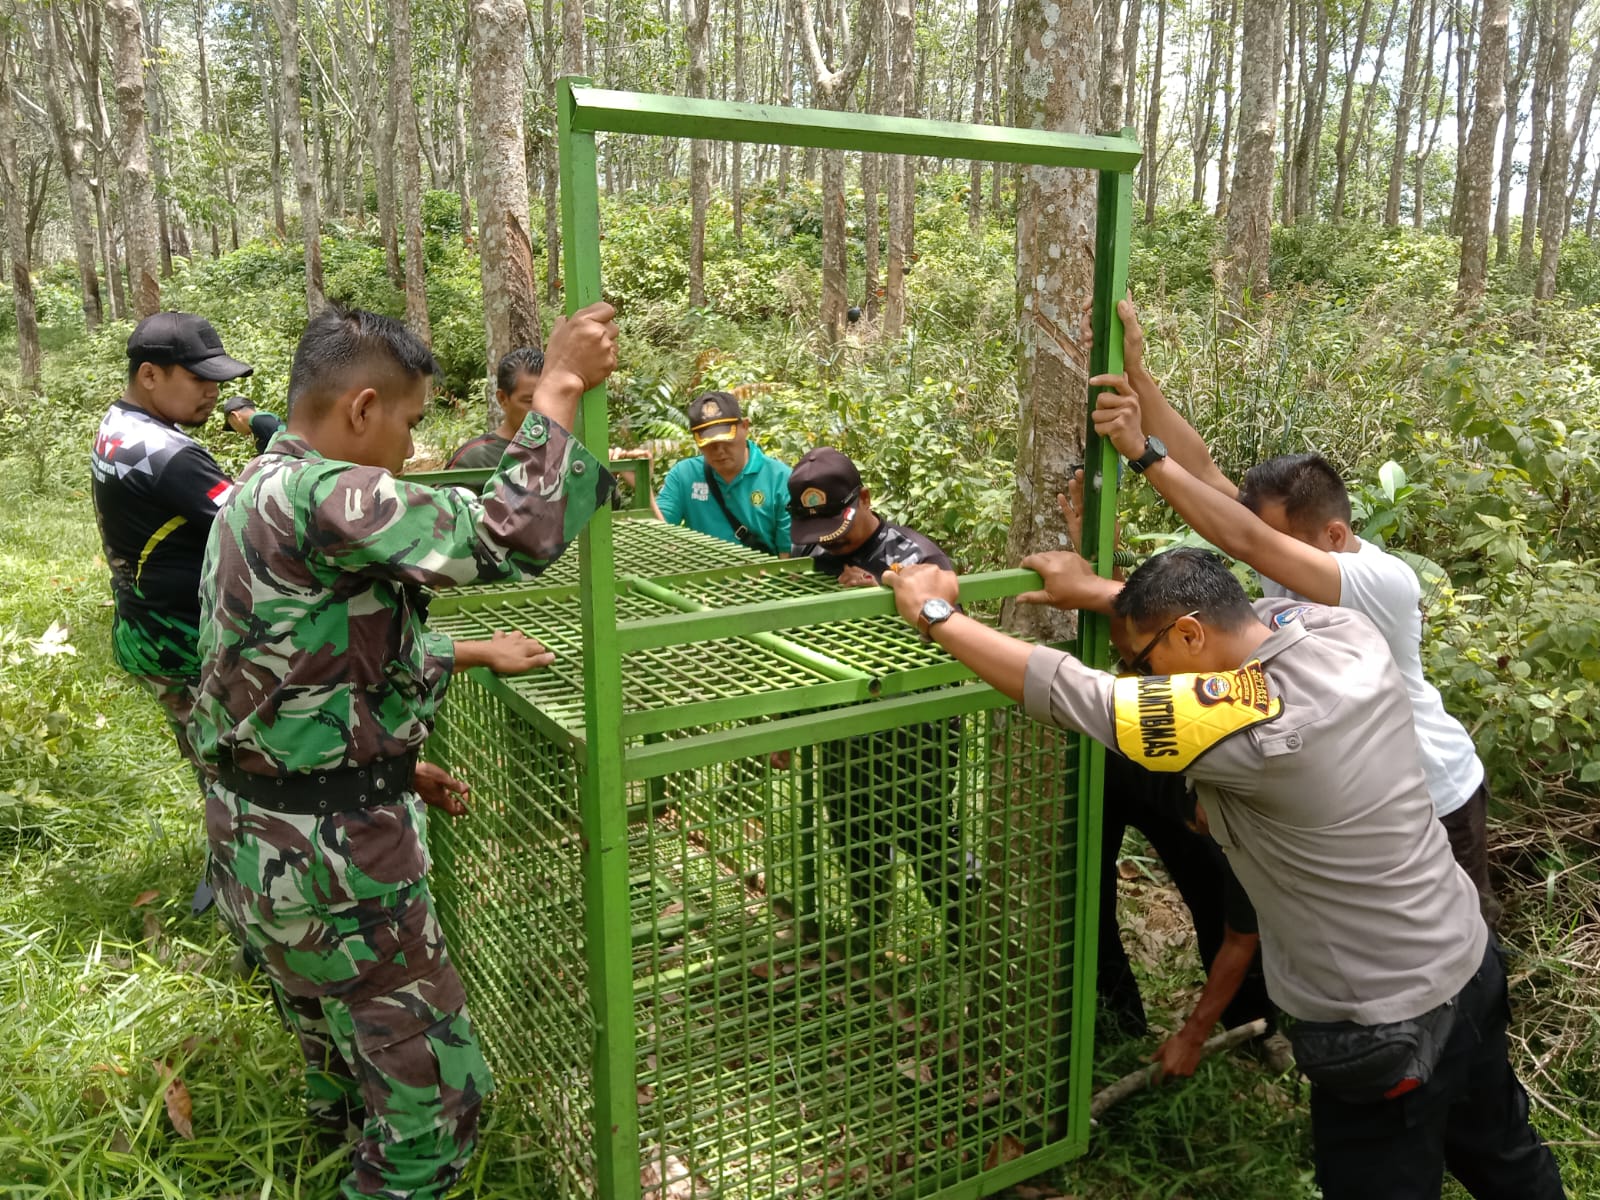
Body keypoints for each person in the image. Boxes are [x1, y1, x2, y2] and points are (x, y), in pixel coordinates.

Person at [880, 547, 1564, 1200]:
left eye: (1142, 663)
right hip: (1467, 961)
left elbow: (1066, 690)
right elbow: (1239, 620)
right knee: (1505, 1156)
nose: (1140, 679)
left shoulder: (1247, 726)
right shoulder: (1342, 634)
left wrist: (936, 615)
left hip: (1380, 1022)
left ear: (1187, 635)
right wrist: (1105, 594)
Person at [189, 303, 619, 1199]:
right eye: (412, 426)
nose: (412, 451)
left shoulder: (252, 492)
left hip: (259, 836)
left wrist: (386, 757)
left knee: (338, 1033)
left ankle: (338, 1135)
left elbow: (288, 661)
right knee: (441, 1103)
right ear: (362, 409)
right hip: (337, 866)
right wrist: (562, 388)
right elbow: (511, 536)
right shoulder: (324, 494)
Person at [1095, 300, 1499, 924]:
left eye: (1280, 540)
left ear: (1334, 534)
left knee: (1459, 940)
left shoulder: (1378, 581)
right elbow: (1203, 472)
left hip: (1433, 790)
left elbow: (1247, 541)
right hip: (1360, 793)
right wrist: (1140, 379)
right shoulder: (1291, 545)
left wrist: (1144, 456)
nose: (1270, 553)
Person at [787, 448, 981, 947]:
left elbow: (947, 615)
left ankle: (972, 939)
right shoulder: (813, 554)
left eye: (837, 528)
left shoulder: (912, 554)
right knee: (853, 836)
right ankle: (869, 935)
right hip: (844, 727)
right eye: (818, 532)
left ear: (865, 499)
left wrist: (880, 599)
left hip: (915, 732)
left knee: (930, 837)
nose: (829, 541)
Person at [89, 313, 262, 770]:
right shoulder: (171, 456)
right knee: (233, 770)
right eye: (198, 378)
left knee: (208, 752)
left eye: (218, 380)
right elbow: (263, 525)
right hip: (180, 640)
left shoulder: (119, 423)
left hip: (147, 622)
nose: (213, 391)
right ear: (149, 375)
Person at [656, 390, 791, 554]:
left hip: (763, 578)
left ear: (745, 427)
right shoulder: (684, 474)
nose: (719, 450)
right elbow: (658, 532)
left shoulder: (781, 479)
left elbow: (788, 557)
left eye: (726, 439)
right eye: (709, 442)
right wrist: (641, 484)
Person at [447, 347, 543, 469]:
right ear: (502, 399)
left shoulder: (563, 451)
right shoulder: (475, 460)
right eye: (529, 401)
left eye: (549, 400)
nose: (540, 410)